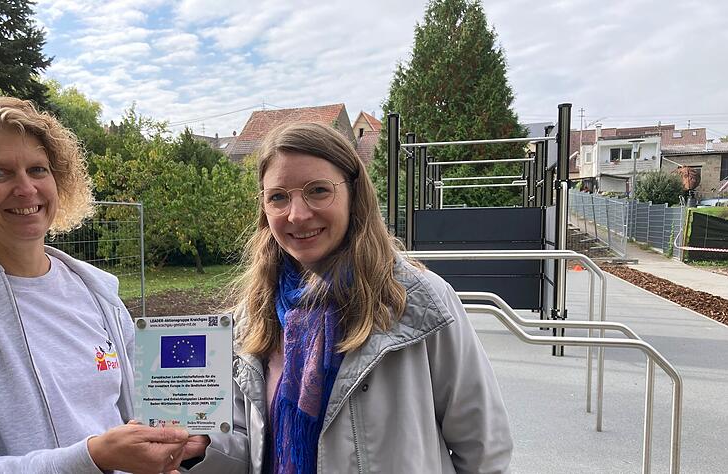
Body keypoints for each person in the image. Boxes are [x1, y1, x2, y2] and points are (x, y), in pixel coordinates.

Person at [182, 122, 513, 473]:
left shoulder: (418, 300)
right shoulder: (252, 316)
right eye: (278, 196)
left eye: (318, 190)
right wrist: (203, 448)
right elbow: (249, 444)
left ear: (354, 193)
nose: (297, 214)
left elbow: (484, 448)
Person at [0, 95, 196, 473]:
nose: (25, 188)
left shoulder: (97, 294)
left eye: (38, 169)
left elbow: (139, 418)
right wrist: (92, 458)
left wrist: (179, 442)